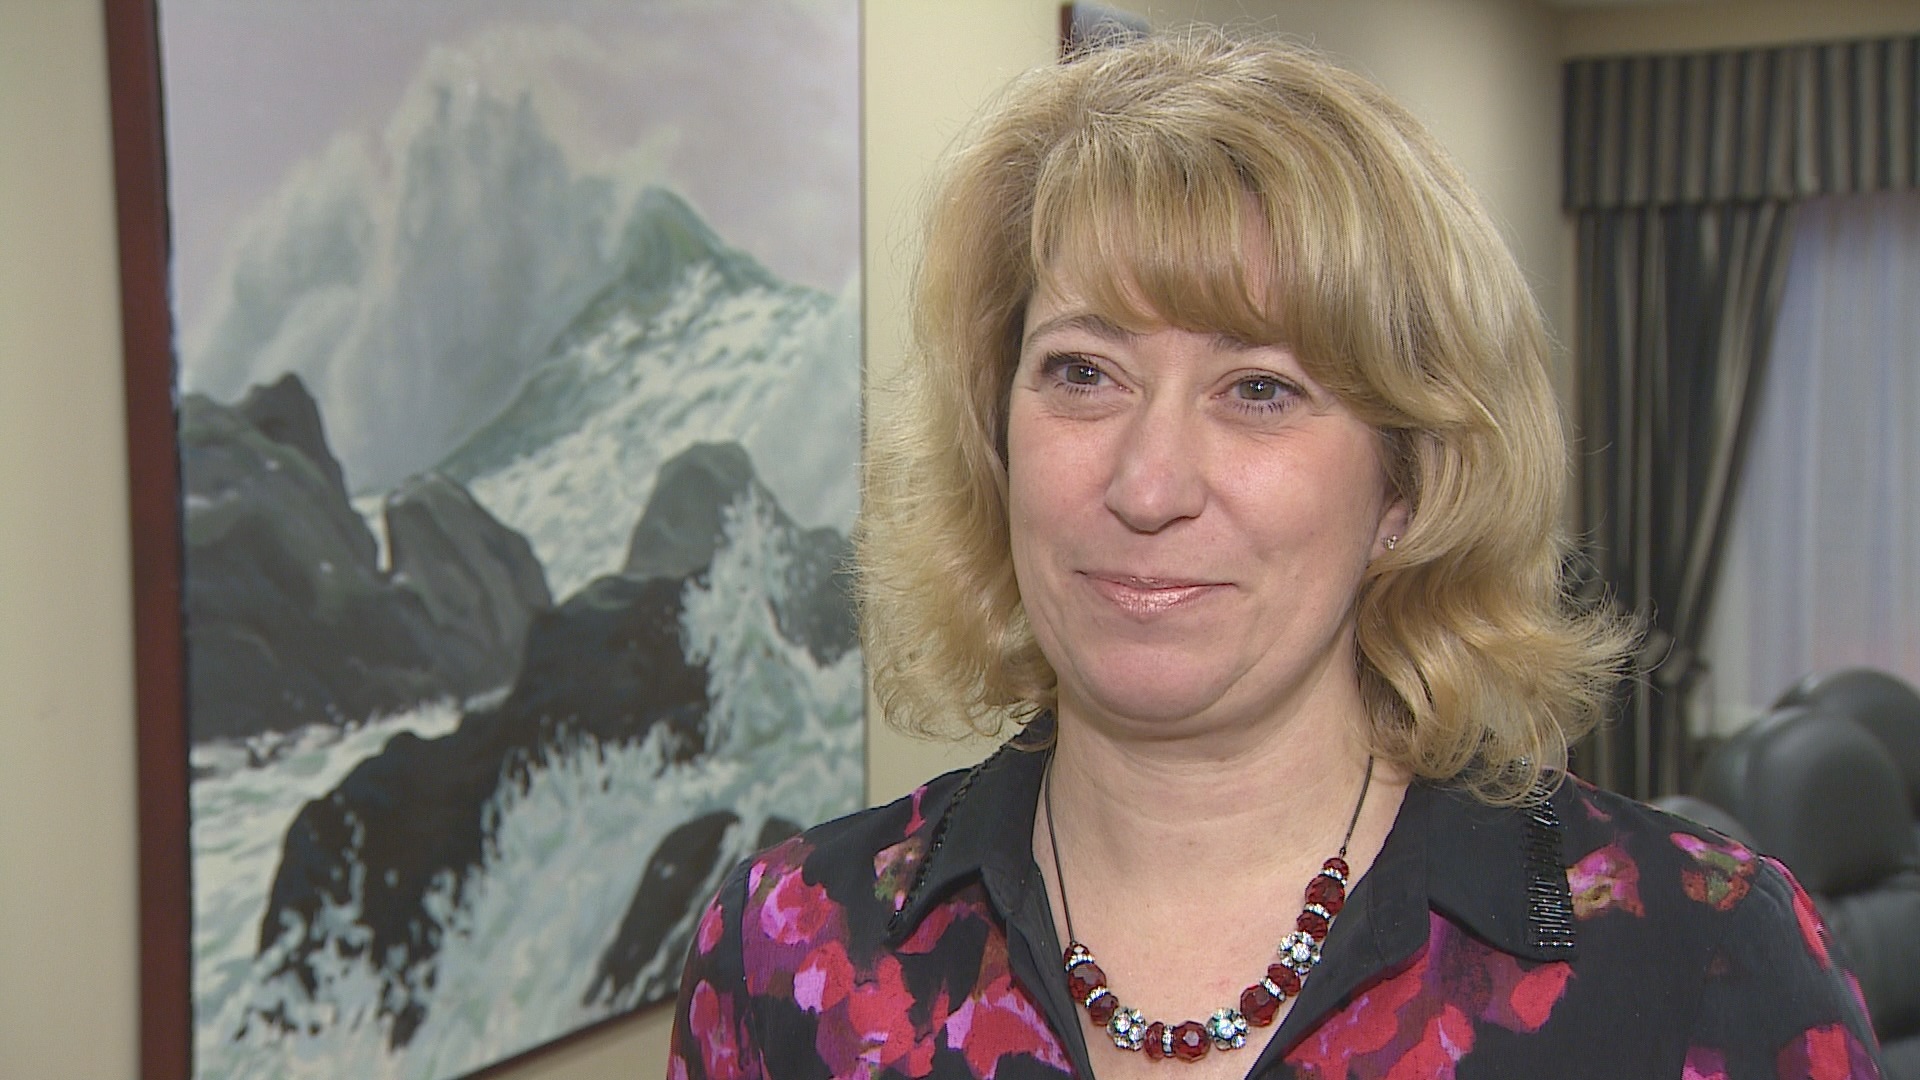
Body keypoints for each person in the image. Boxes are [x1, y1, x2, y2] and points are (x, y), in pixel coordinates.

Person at [667, 31, 1882, 1080]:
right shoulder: (786, 954)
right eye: (1083, 372)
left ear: (1407, 483)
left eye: (1260, 389)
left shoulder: (1705, 961)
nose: (1146, 486)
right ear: (996, 438)